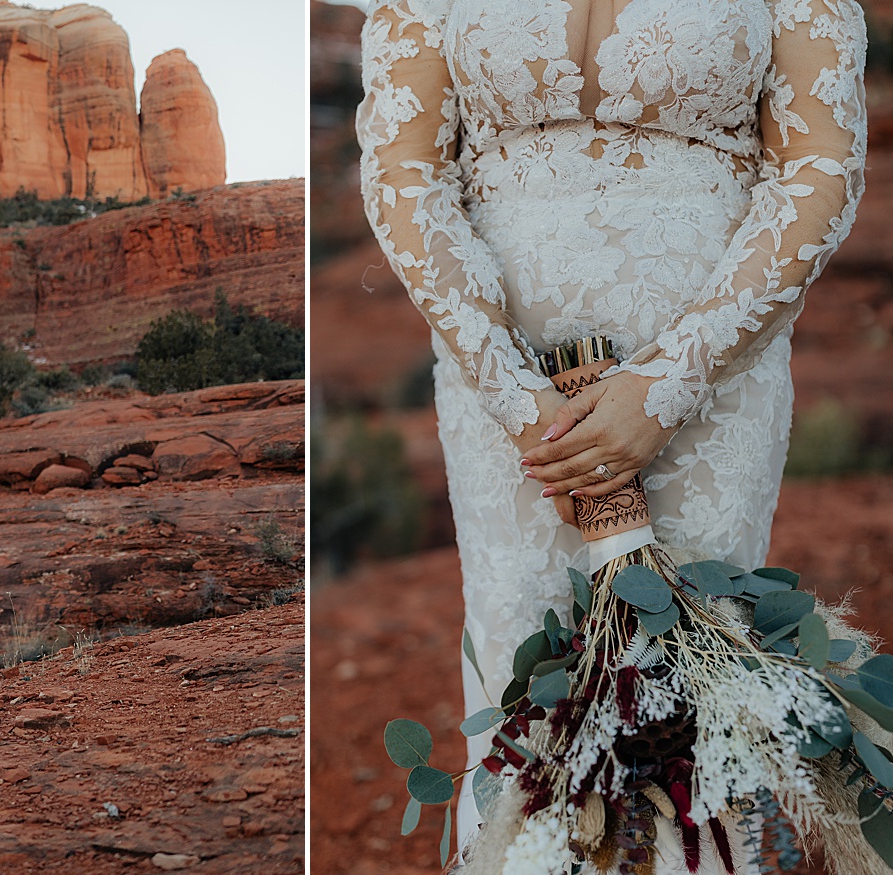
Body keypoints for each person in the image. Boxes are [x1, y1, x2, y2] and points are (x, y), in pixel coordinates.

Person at [356, 0, 866, 865]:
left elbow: (815, 167)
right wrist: (519, 400)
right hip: (499, 386)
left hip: (712, 377)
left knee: (702, 677)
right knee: (521, 663)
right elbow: (406, 172)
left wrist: (672, 382)